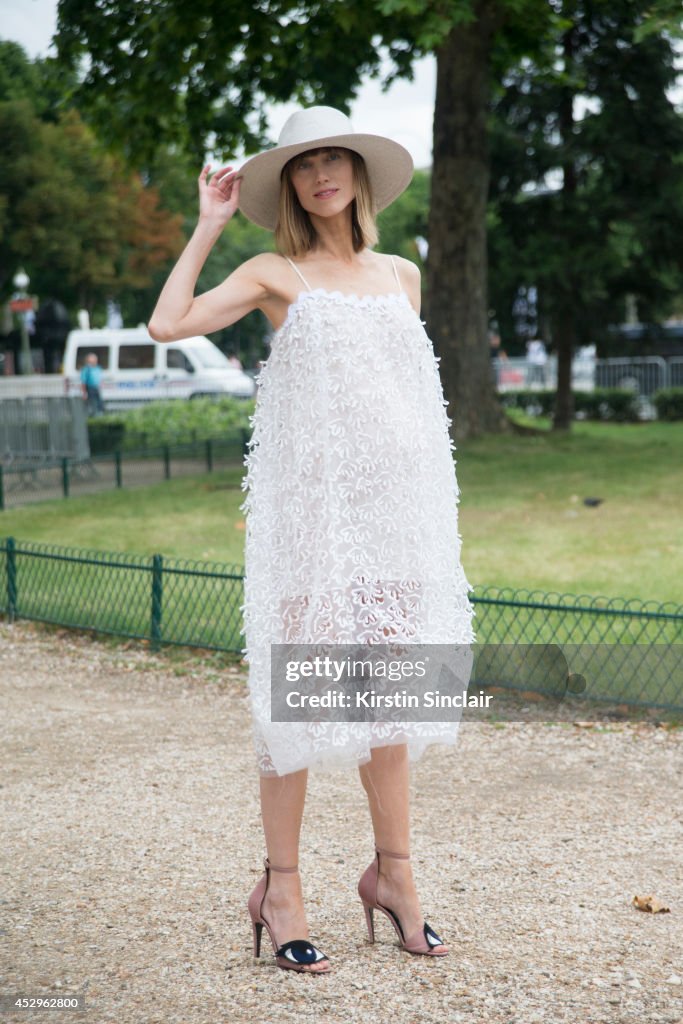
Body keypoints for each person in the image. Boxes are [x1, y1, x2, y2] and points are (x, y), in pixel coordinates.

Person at [148, 106, 477, 975]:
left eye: (335, 158)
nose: (321, 172)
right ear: (288, 184)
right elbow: (168, 326)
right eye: (303, 164)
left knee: (390, 700)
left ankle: (395, 877)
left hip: (399, 514)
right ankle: (281, 888)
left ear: (360, 173)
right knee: (298, 701)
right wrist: (208, 224)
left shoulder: (403, 276)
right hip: (315, 522)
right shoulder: (272, 271)